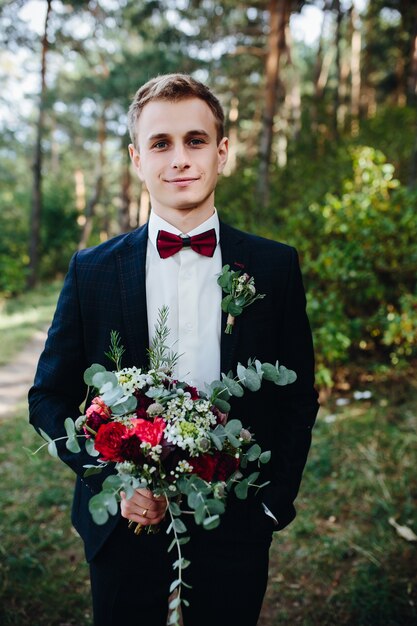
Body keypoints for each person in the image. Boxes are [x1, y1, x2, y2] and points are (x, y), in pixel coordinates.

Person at [29, 73, 319, 626]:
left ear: (223, 152)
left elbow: (298, 397)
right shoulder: (92, 271)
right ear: (138, 159)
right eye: (161, 144)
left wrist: (271, 503)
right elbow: (47, 396)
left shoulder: (274, 268)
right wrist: (109, 479)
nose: (179, 159)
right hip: (125, 527)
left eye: (196, 140)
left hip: (236, 522)